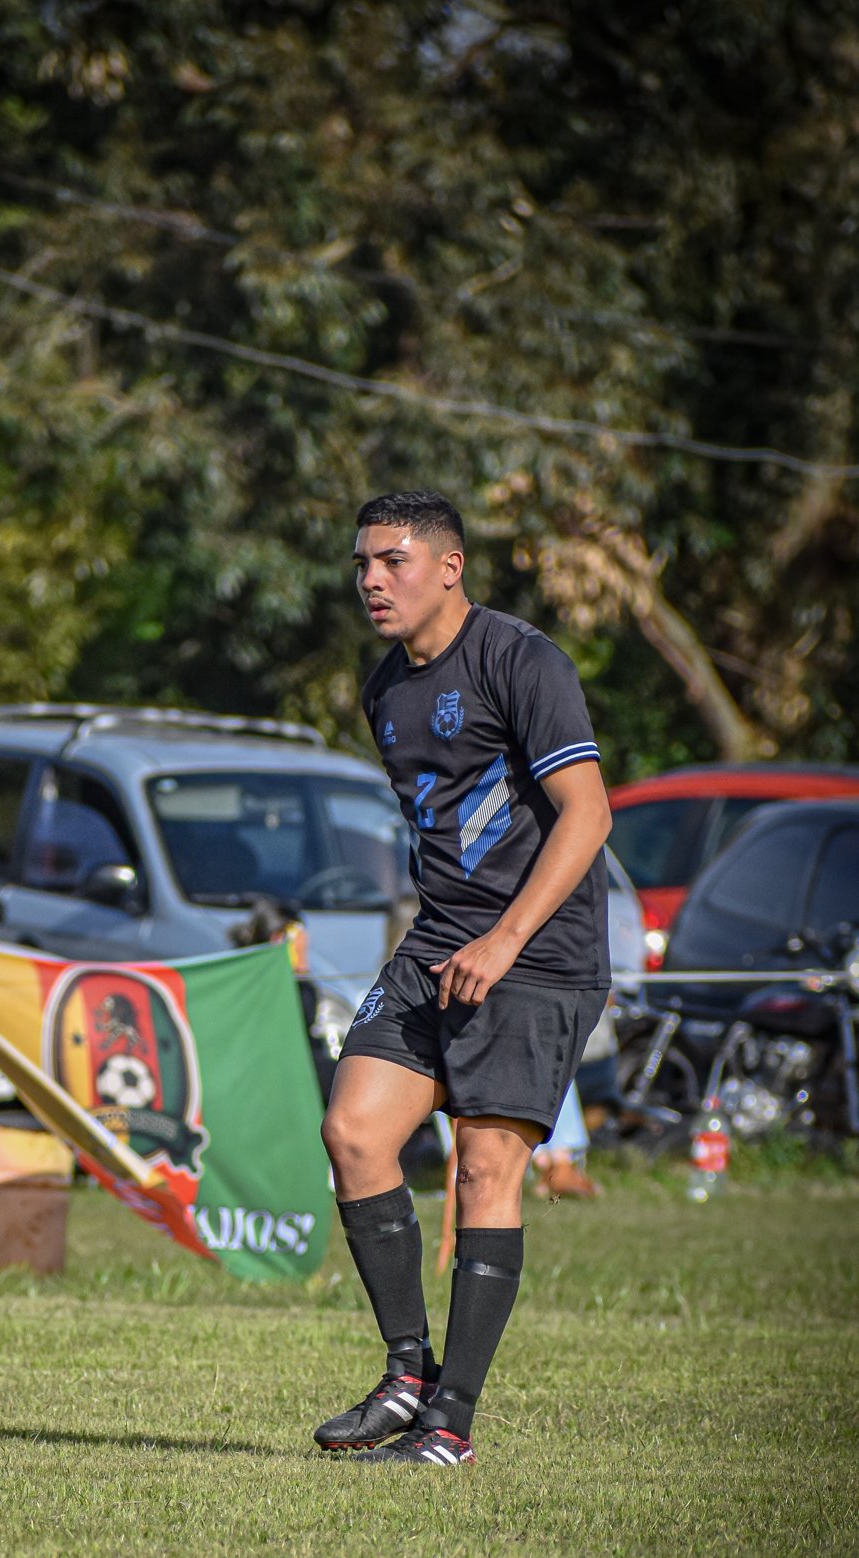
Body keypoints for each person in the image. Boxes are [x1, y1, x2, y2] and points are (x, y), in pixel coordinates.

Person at [315, 490, 612, 1467]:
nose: (371, 580)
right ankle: (407, 1373)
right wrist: (457, 937)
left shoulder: (522, 660)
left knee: (485, 1169)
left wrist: (504, 939)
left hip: (539, 954)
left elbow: (588, 815)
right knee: (354, 1131)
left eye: (391, 561)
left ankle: (450, 1423)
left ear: (449, 567)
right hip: (436, 944)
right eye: (362, 564)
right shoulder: (383, 689)